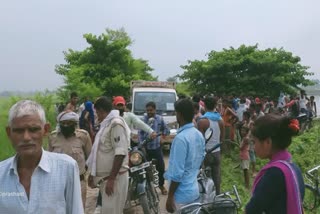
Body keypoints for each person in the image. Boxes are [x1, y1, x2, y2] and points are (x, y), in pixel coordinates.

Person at [0, 100, 83, 213]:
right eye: (19, 131)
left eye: (33, 129)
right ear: (9, 133)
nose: (26, 137)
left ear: (46, 130)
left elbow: (76, 210)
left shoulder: (66, 167)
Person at [245, 114, 305, 214]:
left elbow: (252, 209)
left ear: (268, 142)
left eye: (254, 142)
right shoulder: (293, 168)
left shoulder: (275, 173)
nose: (254, 147)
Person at [86, 96, 130, 214]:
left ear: (100, 110)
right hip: (106, 180)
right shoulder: (106, 124)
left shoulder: (116, 124)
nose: (96, 116)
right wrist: (93, 174)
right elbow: (99, 151)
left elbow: (120, 153)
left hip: (115, 180)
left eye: (96, 113)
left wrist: (111, 178)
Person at [164, 98, 205, 213]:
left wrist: (170, 196)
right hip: (194, 192)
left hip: (181, 197)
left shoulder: (181, 139)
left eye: (176, 113)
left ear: (180, 115)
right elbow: (201, 159)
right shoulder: (198, 135)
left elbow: (177, 174)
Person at [48, 110, 92, 210]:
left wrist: (89, 174)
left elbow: (90, 157)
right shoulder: (53, 137)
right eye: (63, 123)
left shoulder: (83, 136)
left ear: (74, 124)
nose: (66, 125)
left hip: (79, 181)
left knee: (78, 209)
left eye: (69, 123)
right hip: (58, 182)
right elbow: (49, 160)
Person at [139, 101, 170, 195]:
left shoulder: (160, 119)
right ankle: (148, 188)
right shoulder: (143, 120)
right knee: (145, 170)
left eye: (151, 110)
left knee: (161, 168)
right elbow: (140, 133)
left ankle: (161, 185)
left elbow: (167, 130)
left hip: (157, 148)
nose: (149, 112)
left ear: (155, 110)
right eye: (147, 110)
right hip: (146, 149)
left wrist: (162, 136)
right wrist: (141, 144)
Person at [197, 96, 224, 194]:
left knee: (206, 178)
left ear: (204, 106)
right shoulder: (220, 120)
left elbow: (200, 142)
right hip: (217, 152)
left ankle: (208, 199)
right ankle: (217, 195)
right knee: (217, 176)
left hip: (206, 153)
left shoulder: (202, 121)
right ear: (215, 106)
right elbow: (222, 139)